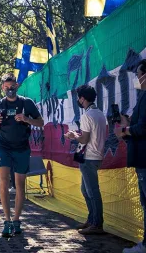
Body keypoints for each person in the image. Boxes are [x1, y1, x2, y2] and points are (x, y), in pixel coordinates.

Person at [0, 73, 44, 237]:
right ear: (2, 88)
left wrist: (27, 119)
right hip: (3, 147)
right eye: (6, 87)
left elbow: (41, 122)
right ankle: (7, 221)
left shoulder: (27, 103)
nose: (9, 89)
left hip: (22, 148)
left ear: (17, 86)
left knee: (20, 185)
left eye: (12, 86)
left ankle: (17, 219)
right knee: (3, 183)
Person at [65, 84, 106, 235]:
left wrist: (72, 136)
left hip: (89, 157)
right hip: (95, 156)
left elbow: (84, 140)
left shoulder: (87, 115)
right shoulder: (99, 113)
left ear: (82, 99)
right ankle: (92, 219)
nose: (78, 100)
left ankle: (97, 223)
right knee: (86, 189)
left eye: (78, 98)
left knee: (92, 191)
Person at [115, 60, 146, 253]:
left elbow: (143, 127)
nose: (137, 78)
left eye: (139, 74)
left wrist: (126, 130)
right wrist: (126, 122)